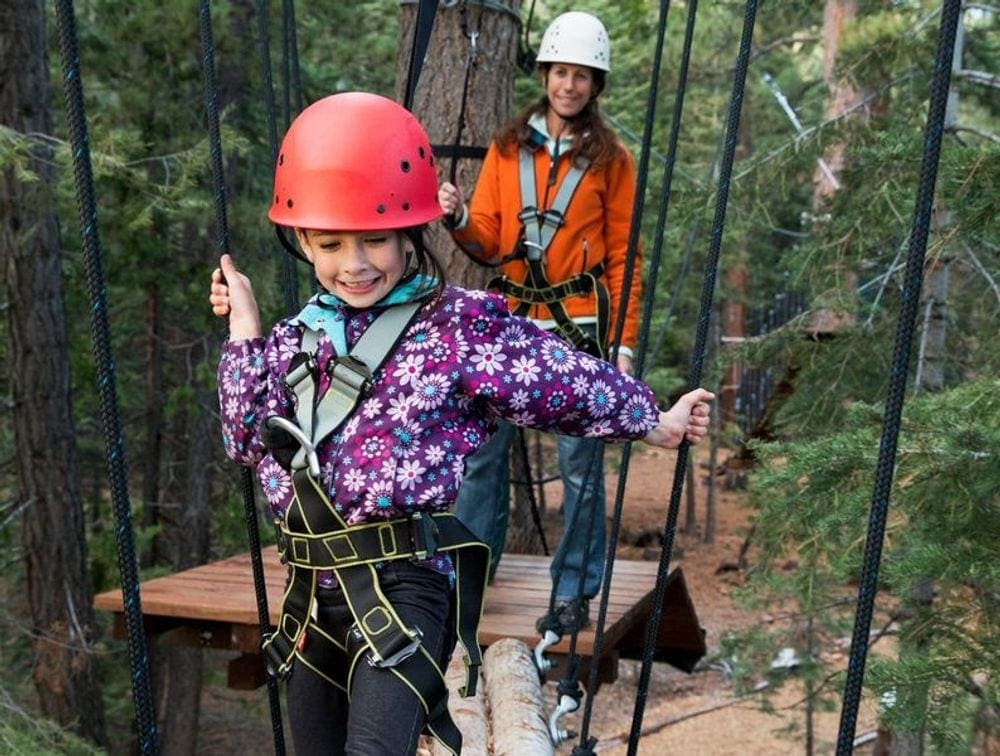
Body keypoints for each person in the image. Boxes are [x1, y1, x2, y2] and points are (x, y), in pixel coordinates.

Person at [210, 91, 712, 756]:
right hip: (310, 594)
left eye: (376, 241)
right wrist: (243, 330)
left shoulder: (456, 326)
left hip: (406, 586)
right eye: (331, 244)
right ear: (302, 239)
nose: (355, 265)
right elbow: (245, 439)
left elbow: (557, 379)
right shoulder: (293, 340)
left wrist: (653, 420)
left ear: (411, 230)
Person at [437, 11, 643, 634]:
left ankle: (574, 590)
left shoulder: (613, 161)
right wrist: (457, 219)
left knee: (581, 467)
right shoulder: (507, 148)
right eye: (561, 72)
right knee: (482, 457)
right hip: (513, 321)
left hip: (579, 326)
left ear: (594, 85)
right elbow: (493, 241)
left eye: (581, 76)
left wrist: (624, 344)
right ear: (545, 75)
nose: (569, 86)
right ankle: (469, 579)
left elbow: (624, 257)